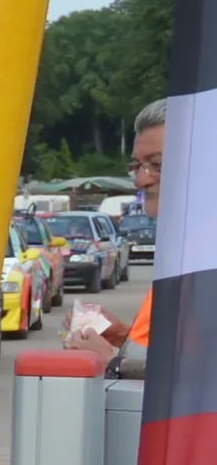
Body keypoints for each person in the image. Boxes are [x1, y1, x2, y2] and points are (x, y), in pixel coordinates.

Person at [74, 98, 163, 375]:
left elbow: (195, 379)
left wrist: (111, 362)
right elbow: (179, 354)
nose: (140, 180)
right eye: (137, 165)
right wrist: (124, 336)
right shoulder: (189, 254)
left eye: (157, 164)